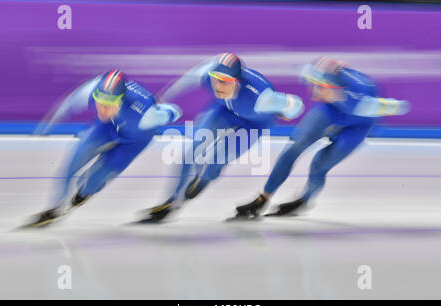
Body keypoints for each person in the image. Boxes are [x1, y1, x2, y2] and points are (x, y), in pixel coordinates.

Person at [229, 57, 410, 221]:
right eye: (313, 83)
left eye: (321, 87)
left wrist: (395, 106)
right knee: (294, 148)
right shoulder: (321, 79)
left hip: (358, 125)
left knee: (319, 165)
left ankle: (305, 200)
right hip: (331, 110)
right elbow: (304, 68)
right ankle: (263, 198)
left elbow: (394, 107)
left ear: (336, 89)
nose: (314, 91)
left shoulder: (363, 104)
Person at [139, 52, 304, 223]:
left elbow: (297, 105)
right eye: (215, 78)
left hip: (254, 126)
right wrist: (161, 100)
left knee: (217, 162)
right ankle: (172, 202)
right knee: (193, 148)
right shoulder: (207, 74)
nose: (217, 85)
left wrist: (288, 111)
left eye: (225, 81)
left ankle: (203, 179)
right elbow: (186, 80)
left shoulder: (263, 98)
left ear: (237, 82)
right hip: (224, 111)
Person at [23, 70, 182, 228]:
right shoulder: (92, 90)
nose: (102, 109)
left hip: (134, 141)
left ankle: (85, 192)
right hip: (107, 127)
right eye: (99, 102)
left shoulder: (148, 116)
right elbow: (68, 104)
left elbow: (175, 111)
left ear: (120, 101)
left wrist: (162, 106)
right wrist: (47, 126)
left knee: (92, 180)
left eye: (109, 104)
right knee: (72, 163)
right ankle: (54, 210)